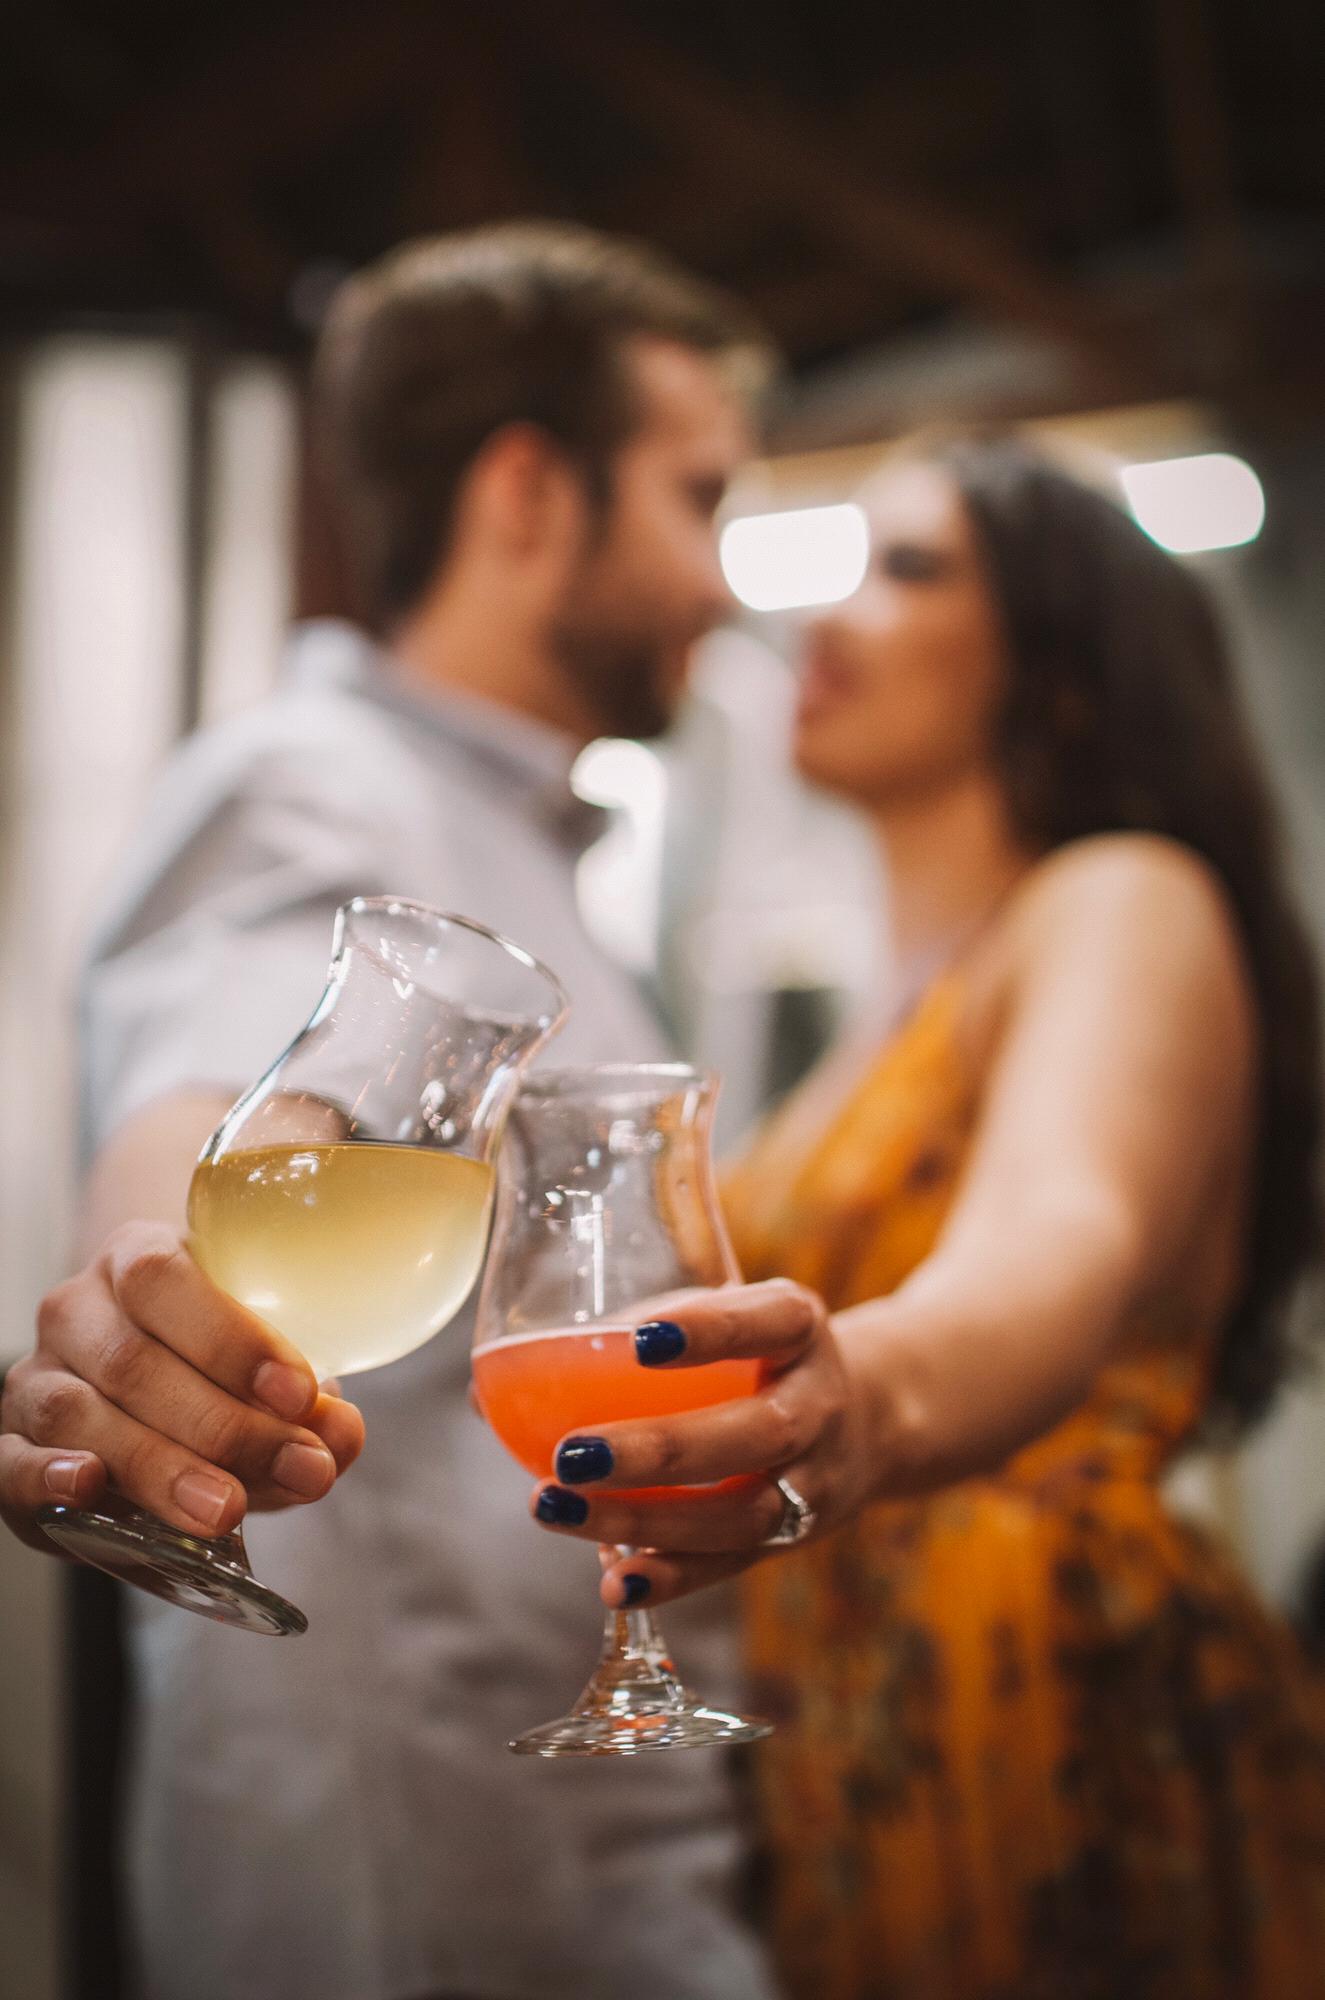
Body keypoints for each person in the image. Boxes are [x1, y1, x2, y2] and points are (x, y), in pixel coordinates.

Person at [0, 223, 779, 2000]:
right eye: (696, 495)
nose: (719, 583)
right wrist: (139, 1295)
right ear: (525, 492)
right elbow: (215, 1096)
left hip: (585, 1819)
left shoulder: (545, 850)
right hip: (404, 1874)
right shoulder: (312, 792)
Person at [526, 438, 1325, 1998]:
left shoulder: (1118, 895)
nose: (823, 624)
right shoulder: (891, 1023)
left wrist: (861, 1401)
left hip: (1046, 1695)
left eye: (909, 569)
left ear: (1065, 667)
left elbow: (1062, 1231)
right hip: (859, 1726)